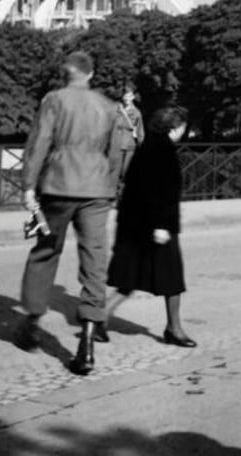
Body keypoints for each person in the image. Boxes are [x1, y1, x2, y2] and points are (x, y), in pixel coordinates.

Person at [13, 50, 122, 376]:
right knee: (95, 260)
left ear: (66, 74)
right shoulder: (109, 106)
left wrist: (28, 184)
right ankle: (87, 340)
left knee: (44, 251)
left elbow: (40, 142)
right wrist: (110, 186)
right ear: (90, 74)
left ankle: (32, 323)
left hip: (56, 186)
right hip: (97, 189)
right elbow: (116, 153)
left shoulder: (54, 99)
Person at [104, 105, 197, 348]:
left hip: (134, 224)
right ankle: (174, 329)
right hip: (156, 225)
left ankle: (99, 318)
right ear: (175, 128)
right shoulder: (164, 151)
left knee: (131, 277)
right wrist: (161, 225)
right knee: (172, 277)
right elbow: (160, 192)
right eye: (183, 127)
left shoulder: (147, 146)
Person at [115, 83, 145, 196]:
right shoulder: (117, 110)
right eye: (125, 96)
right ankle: (115, 195)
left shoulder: (136, 113)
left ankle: (121, 195)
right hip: (117, 143)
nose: (127, 98)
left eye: (129, 96)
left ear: (133, 97)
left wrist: (141, 145)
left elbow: (140, 130)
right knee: (116, 171)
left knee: (125, 171)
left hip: (129, 145)